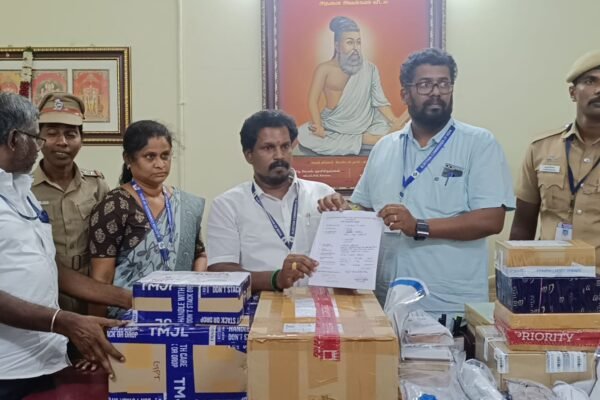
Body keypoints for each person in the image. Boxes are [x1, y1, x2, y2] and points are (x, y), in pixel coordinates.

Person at [318, 48, 515, 322]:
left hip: (448, 304)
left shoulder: (479, 143)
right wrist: (342, 210)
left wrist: (419, 226)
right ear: (405, 94)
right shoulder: (384, 147)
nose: (435, 92)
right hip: (385, 299)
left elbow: (491, 220)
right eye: (424, 84)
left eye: (443, 84)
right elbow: (365, 209)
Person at [0, 92, 125, 400]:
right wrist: (63, 320)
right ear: (15, 139)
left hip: (45, 359)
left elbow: (52, 268)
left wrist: (132, 298)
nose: (42, 146)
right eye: (37, 137)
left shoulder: (22, 192)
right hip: (6, 368)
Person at [89, 120, 207, 319]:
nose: (160, 164)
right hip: (128, 318)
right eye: (150, 157)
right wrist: (99, 326)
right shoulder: (114, 206)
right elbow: (101, 279)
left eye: (165, 156)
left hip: (182, 313)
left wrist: (193, 293)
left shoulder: (184, 204)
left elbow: (200, 254)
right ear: (128, 159)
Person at [207, 110, 335, 291]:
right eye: (268, 148)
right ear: (249, 155)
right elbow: (220, 271)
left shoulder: (322, 194)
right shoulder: (228, 205)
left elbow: (345, 255)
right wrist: (276, 279)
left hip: (319, 302)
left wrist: (346, 219)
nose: (279, 156)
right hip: (260, 304)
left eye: (285, 146)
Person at [31, 92, 131, 315]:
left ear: (81, 139)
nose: (62, 142)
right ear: (38, 138)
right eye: (52, 133)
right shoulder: (25, 189)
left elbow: (112, 239)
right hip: (43, 294)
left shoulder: (96, 185)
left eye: (71, 134)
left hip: (92, 290)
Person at [510, 50, 600, 264]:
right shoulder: (541, 148)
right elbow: (523, 224)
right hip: (549, 275)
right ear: (573, 93)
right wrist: (513, 272)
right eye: (590, 81)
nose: (599, 89)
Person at [297, 16, 407, 156]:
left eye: (358, 42)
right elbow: (313, 100)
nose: (355, 48)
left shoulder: (369, 69)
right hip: (333, 124)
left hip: (364, 122)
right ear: (337, 46)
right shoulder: (324, 69)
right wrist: (318, 125)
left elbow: (379, 101)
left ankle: (372, 138)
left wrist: (395, 121)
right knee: (306, 134)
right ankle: (374, 139)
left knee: (386, 126)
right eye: (350, 42)